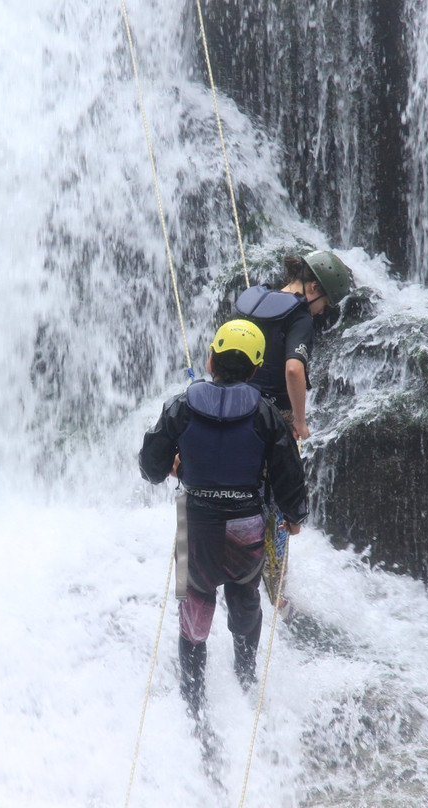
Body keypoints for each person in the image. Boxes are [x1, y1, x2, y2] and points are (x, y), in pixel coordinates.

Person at [138, 320, 309, 718]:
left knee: (194, 608)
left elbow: (149, 466)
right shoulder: (267, 414)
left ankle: (193, 703)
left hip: (194, 525)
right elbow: (289, 474)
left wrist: (175, 468)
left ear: (211, 360)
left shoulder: (181, 407)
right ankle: (245, 681)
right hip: (246, 526)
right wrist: (295, 516)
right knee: (245, 598)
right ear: (255, 370)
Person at [233, 249, 354, 440]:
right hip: (269, 419)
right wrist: (299, 421)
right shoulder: (300, 316)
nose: (322, 312)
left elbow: (212, 363)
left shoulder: (251, 301)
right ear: (313, 287)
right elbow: (293, 369)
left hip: (232, 409)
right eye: (325, 303)